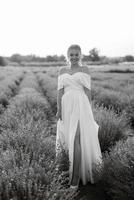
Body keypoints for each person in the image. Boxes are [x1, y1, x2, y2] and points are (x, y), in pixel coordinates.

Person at [56, 44, 102, 190]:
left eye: (77, 54)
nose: (74, 57)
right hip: (66, 106)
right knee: (68, 139)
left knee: (76, 138)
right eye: (71, 54)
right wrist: (59, 109)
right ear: (67, 56)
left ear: (80, 55)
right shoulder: (62, 70)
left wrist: (88, 110)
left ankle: (75, 178)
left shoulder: (84, 69)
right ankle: (67, 171)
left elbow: (88, 92)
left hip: (81, 106)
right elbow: (59, 92)